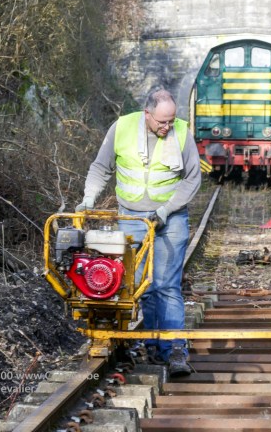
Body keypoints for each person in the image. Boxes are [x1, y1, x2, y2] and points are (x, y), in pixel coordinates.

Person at [76, 88, 201, 377]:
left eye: (171, 121)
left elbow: (193, 178)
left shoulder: (182, 132)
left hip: (170, 218)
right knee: (141, 286)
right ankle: (152, 345)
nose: (166, 127)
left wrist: (166, 209)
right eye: (161, 122)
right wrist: (89, 198)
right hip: (131, 217)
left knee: (167, 285)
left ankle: (174, 350)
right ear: (147, 113)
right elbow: (100, 167)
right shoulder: (121, 127)